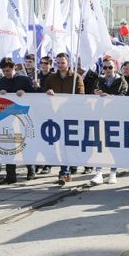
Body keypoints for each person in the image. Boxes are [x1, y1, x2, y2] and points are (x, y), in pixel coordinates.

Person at [44, 53, 85, 185]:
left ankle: (67, 170)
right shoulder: (51, 78)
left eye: (63, 62)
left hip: (71, 116)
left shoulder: (76, 77)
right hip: (56, 115)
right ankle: (64, 171)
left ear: (68, 63)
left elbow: (81, 96)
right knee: (60, 144)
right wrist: (47, 92)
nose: (60, 65)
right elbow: (43, 94)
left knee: (69, 144)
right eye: (58, 63)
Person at [0, 57, 36, 184]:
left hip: (24, 118)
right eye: (4, 71)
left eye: (9, 70)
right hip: (7, 119)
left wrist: (25, 92)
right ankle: (10, 175)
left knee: (25, 144)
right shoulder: (0, 82)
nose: (7, 73)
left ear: (14, 68)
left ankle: (31, 169)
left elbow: (35, 94)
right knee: (8, 146)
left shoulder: (24, 80)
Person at [90, 57, 128, 185]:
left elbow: (124, 96)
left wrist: (110, 97)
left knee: (113, 145)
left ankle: (113, 172)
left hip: (116, 116)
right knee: (99, 144)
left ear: (115, 67)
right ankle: (99, 173)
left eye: (110, 67)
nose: (107, 70)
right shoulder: (99, 80)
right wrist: (95, 93)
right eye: (105, 67)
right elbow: (92, 93)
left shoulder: (122, 81)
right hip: (100, 115)